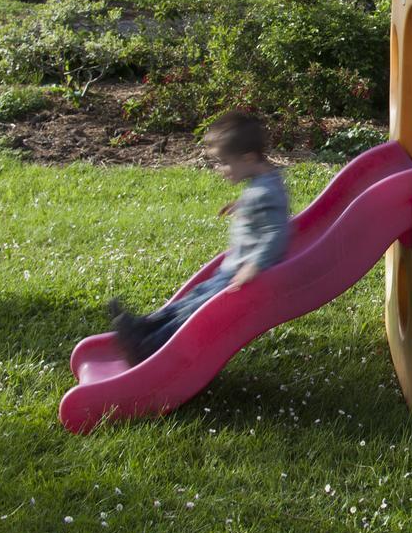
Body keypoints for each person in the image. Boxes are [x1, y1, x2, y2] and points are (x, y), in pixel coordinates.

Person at [108, 110, 290, 365]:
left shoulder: (267, 191)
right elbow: (264, 209)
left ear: (248, 157)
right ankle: (144, 327)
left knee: (195, 312)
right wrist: (243, 205)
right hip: (231, 271)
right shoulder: (263, 184)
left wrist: (255, 266)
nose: (221, 169)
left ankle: (149, 345)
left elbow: (275, 232)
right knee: (191, 300)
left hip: (242, 277)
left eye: (225, 162)